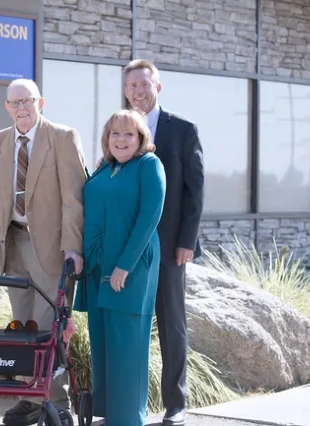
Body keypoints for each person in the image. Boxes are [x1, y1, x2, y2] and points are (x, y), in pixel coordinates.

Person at [0, 78, 87, 426]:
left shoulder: (62, 138)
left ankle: (56, 400)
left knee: (48, 323)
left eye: (28, 101)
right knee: (20, 326)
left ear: (41, 103)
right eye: (15, 102)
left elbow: (73, 199)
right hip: (14, 243)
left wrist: (72, 247)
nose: (22, 108)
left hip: (51, 246)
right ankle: (29, 397)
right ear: (7, 107)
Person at [123, 59, 205, 426]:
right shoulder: (120, 130)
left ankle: (176, 403)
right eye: (133, 86)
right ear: (126, 91)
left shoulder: (183, 129)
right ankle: (129, 400)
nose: (139, 91)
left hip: (171, 246)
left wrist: (188, 240)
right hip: (130, 250)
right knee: (131, 323)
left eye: (145, 84)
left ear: (158, 87)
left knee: (171, 324)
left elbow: (195, 191)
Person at [75, 109, 166, 426]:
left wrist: (124, 267)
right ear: (106, 138)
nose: (122, 139)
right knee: (103, 343)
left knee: (127, 347)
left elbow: (149, 217)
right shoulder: (105, 169)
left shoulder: (149, 165)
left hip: (130, 269)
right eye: (115, 133)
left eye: (129, 134)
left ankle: (128, 419)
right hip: (98, 270)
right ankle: (111, 414)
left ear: (141, 138)